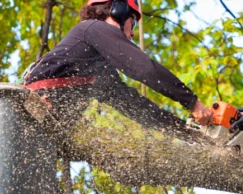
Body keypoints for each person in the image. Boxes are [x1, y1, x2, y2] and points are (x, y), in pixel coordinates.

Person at [23, 0, 213, 133]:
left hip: (41, 127)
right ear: (118, 11)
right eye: (134, 22)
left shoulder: (98, 70)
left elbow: (137, 107)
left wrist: (188, 132)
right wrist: (193, 102)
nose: (132, 34)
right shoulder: (92, 28)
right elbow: (144, 68)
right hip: (28, 112)